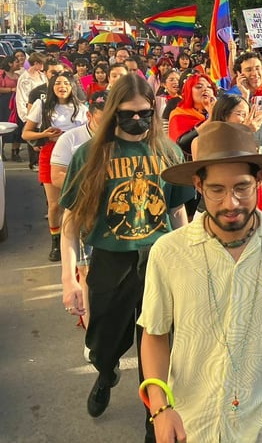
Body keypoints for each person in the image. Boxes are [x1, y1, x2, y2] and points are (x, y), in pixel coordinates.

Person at [138, 121, 262, 443]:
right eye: (217, 190)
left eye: (242, 188)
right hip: (192, 422)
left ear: (259, 182)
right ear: (198, 185)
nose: (231, 203)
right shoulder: (168, 252)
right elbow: (155, 334)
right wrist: (160, 408)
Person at [59, 75, 193, 437]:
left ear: (154, 111)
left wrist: (190, 263)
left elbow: (178, 212)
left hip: (159, 261)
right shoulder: (91, 155)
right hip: (110, 262)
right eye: (127, 113)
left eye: (145, 113)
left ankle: (154, 419)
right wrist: (68, 277)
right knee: (103, 345)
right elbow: (71, 220)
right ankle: (105, 373)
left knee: (158, 343)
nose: (137, 121)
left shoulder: (168, 151)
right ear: (112, 112)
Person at [51, 89, 109, 337]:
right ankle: (92, 334)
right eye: (101, 117)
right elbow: (56, 176)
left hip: (117, 217)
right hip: (86, 213)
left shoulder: (125, 139)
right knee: (87, 274)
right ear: (89, 114)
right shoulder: (71, 140)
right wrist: (92, 185)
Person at [23, 71, 88, 260]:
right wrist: (44, 134)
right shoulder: (41, 105)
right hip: (50, 154)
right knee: (55, 205)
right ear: (52, 87)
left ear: (72, 87)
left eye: (66, 83)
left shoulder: (82, 108)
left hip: (77, 155)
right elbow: (26, 134)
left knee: (79, 200)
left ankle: (78, 239)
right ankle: (56, 242)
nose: (62, 87)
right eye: (58, 83)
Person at [167, 73, 217, 157]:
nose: (205, 89)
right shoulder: (179, 114)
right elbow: (182, 144)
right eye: (199, 86)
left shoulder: (220, 111)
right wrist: (211, 119)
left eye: (209, 87)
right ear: (189, 91)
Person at [15, 51, 46, 170]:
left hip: (42, 111)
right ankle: (33, 162)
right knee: (32, 137)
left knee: (41, 135)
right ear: (36, 63)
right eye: (42, 64)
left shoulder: (42, 76)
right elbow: (21, 98)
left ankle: (41, 160)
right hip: (29, 111)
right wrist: (25, 116)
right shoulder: (24, 78)